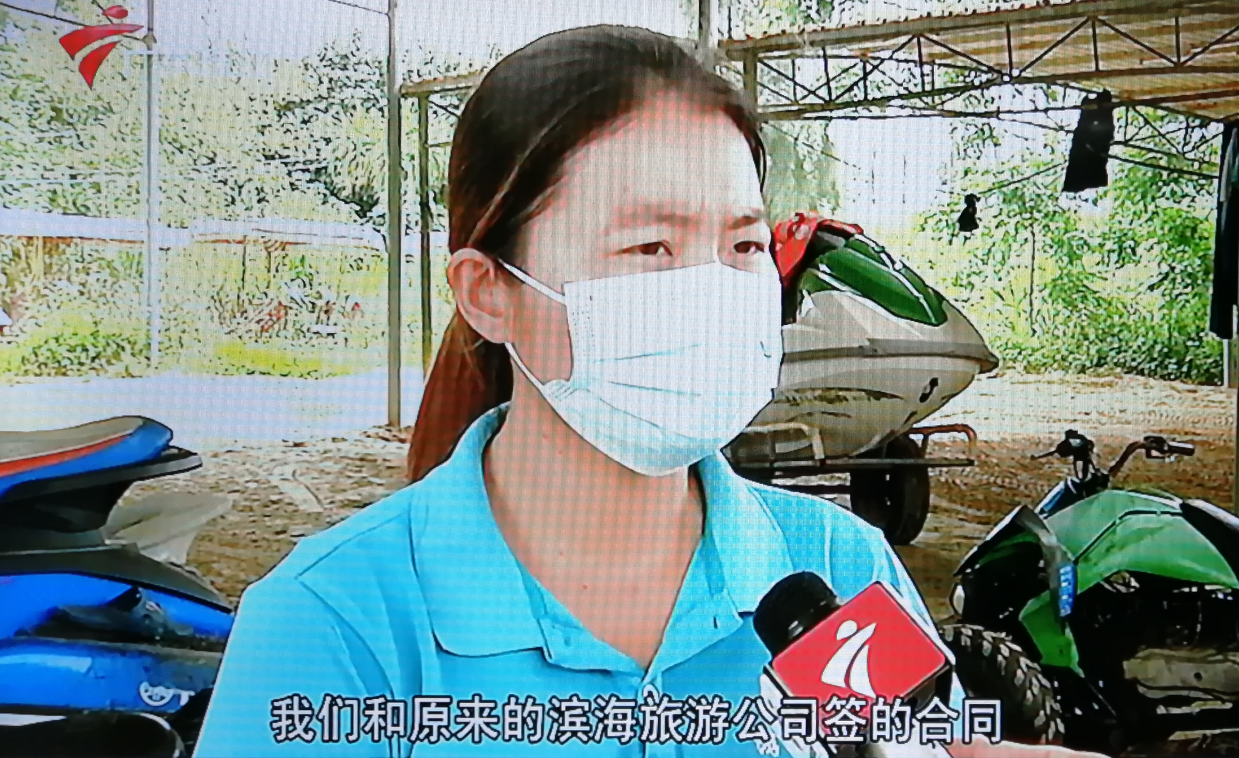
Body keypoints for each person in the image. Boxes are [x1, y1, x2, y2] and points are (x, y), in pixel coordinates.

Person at [194, 25, 1105, 758]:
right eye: (649, 247)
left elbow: (909, 746)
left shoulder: (838, 565)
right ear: (489, 292)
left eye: (743, 246)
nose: (712, 291)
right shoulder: (334, 622)